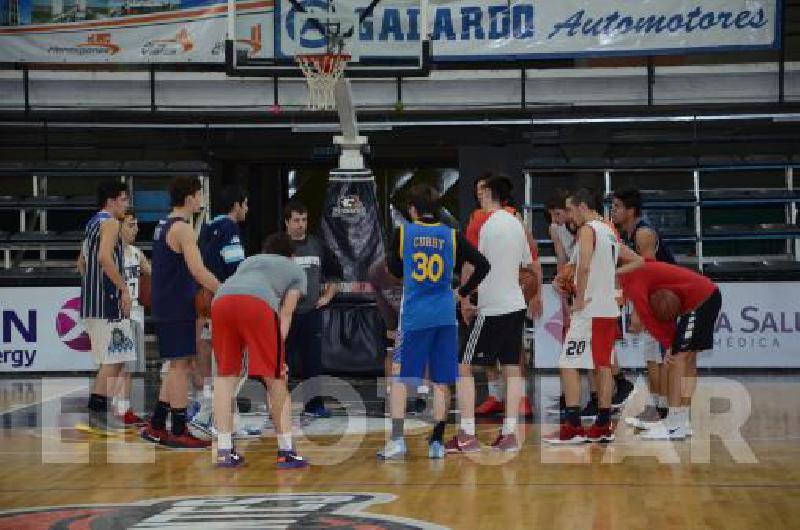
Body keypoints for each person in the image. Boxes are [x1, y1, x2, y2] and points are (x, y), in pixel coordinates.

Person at [378, 184, 490, 460]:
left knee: (401, 378)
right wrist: (462, 293)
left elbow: (391, 267)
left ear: (413, 210)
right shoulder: (451, 235)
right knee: (442, 380)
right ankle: (437, 443)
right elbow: (483, 265)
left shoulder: (403, 233)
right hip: (444, 316)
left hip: (415, 316)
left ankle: (397, 440)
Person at [544, 188, 642, 445]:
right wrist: (608, 277)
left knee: (568, 364)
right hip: (606, 307)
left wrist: (578, 298)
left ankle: (574, 427)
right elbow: (638, 261)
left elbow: (585, 267)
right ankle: (602, 424)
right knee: (602, 366)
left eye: (570, 209)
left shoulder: (588, 230)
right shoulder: (608, 229)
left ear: (582, 206)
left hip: (589, 310)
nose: (568, 216)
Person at [448, 176, 537, 453]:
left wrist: (464, 294)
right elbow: (528, 266)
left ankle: (467, 434)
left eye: (479, 193)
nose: (478, 198)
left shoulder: (487, 226)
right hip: (515, 304)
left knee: (463, 366)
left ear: (487, 194)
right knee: (511, 368)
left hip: (494, 307)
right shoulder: (517, 224)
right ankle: (509, 433)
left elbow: (479, 266)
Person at [211, 233, 309, 468]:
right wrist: (278, 352)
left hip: (221, 301)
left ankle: (224, 450)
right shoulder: (296, 271)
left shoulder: (250, 261)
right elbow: (286, 313)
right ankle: (286, 450)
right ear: (291, 256)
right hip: (256, 305)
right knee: (275, 377)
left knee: (225, 377)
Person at [140, 176, 220, 449]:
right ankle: (178, 429)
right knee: (180, 367)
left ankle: (158, 423)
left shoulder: (164, 224)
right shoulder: (183, 229)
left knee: (177, 365)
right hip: (175, 304)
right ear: (189, 197)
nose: (201, 200)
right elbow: (197, 270)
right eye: (199, 194)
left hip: (168, 302)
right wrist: (223, 290)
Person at [618, 259, 722, 440]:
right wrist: (670, 343)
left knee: (677, 360)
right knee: (687, 360)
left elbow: (649, 320)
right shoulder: (635, 271)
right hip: (706, 296)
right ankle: (682, 420)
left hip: (699, 300)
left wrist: (668, 346)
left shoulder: (632, 281)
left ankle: (674, 424)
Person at [465, 174, 542, 418]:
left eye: (482, 189)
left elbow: (473, 263)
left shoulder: (494, 220)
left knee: (467, 362)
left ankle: (469, 428)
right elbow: (531, 260)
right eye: (476, 189)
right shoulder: (509, 220)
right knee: (507, 355)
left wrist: (464, 296)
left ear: (490, 192)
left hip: (494, 299)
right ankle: (498, 397)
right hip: (506, 297)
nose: (479, 193)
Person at [612, 187, 676, 427]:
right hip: (656, 298)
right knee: (651, 356)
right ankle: (659, 407)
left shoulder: (644, 233)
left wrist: (638, 312)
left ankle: (667, 410)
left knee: (660, 357)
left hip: (665, 298)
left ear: (631, 210)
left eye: (618, 206)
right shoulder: (629, 234)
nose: (614, 211)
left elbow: (647, 273)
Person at [189, 184, 248, 435]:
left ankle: (230, 422)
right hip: (224, 301)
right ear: (237, 205)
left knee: (216, 364)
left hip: (204, 303)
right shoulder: (229, 227)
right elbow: (235, 266)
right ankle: (208, 415)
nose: (247, 209)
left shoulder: (206, 227)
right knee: (236, 366)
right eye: (245, 204)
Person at [77, 181, 132, 433]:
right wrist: (122, 289)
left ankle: (99, 415)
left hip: (94, 301)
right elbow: (103, 258)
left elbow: (81, 262)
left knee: (114, 360)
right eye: (123, 199)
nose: (126, 204)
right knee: (113, 361)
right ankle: (97, 417)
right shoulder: (109, 222)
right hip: (106, 302)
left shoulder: (91, 223)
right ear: (111, 200)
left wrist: (92, 285)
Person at [283, 201, 342, 418]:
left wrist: (327, 296)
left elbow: (336, 272)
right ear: (287, 222)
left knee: (313, 362)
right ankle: (279, 406)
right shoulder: (277, 246)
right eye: (296, 220)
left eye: (304, 220)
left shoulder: (317, 245)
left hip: (311, 312)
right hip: (284, 314)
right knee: (281, 362)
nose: (301, 225)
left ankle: (314, 406)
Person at [116, 209, 150, 426]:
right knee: (114, 364)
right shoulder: (109, 253)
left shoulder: (137, 253)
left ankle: (124, 408)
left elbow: (153, 272)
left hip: (136, 312)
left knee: (127, 366)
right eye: (131, 224)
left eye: (136, 224)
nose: (136, 229)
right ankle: (113, 407)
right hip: (116, 312)